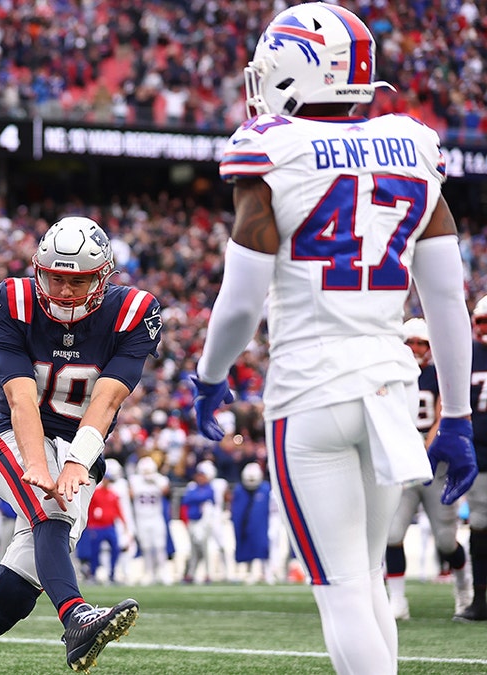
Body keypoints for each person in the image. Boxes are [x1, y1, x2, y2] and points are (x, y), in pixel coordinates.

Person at [190, 5, 477, 672]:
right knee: (369, 575)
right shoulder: (414, 145)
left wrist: (209, 376)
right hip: (391, 387)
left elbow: (239, 300)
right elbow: (445, 302)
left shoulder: (271, 147)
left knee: (343, 587)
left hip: (310, 392)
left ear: (291, 70)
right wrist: (457, 415)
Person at [0, 216, 155, 675]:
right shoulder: (14, 300)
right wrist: (38, 464)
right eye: (54, 276)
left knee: (18, 589)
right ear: (38, 268)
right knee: (50, 509)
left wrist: (79, 459)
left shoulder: (135, 311)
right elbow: (21, 398)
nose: (62, 290)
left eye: (76, 281)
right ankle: (77, 617)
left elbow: (109, 397)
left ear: (103, 278)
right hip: (16, 437)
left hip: (83, 444)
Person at [385, 318, 472, 619]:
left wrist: (425, 448)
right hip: (402, 465)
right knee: (392, 534)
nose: (416, 348)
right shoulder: (391, 376)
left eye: (421, 342)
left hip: (435, 466)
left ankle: (464, 589)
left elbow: (442, 417)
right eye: (411, 342)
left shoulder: (438, 376)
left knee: (446, 540)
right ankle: (397, 602)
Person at [462, 297, 487, 621]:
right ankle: (479, 597)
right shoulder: (465, 355)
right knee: (480, 526)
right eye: (480, 321)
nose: (484, 329)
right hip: (480, 454)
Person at [129, 456, 170, 585]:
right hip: (142, 518)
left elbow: (166, 490)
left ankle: (162, 572)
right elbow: (130, 493)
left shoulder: (160, 480)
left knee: (160, 546)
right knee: (146, 547)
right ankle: (149, 573)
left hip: (156, 517)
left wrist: (155, 480)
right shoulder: (135, 480)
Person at [231, 462, 273, 585]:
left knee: (263, 546)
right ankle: (247, 572)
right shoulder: (239, 490)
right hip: (244, 523)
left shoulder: (265, 489)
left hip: (263, 524)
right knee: (244, 546)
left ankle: (267, 572)